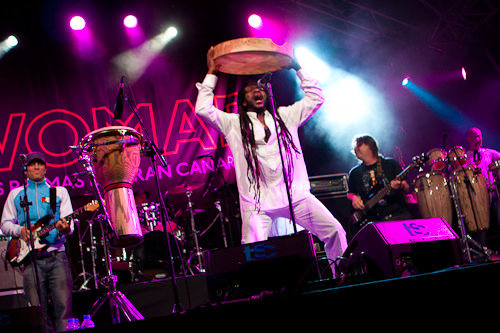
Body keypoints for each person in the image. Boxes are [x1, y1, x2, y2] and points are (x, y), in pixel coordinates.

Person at [195, 46, 347, 274]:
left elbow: (317, 98)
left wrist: (297, 68)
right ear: (242, 100)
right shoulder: (234, 124)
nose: (257, 92)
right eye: (249, 90)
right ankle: (258, 296)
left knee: (335, 231)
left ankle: (343, 277)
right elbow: (203, 109)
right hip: (258, 206)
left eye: (260, 89)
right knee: (252, 254)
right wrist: (212, 74)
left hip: (296, 197)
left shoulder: (285, 117)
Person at [1, 152, 74, 332]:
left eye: (39, 164)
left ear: (45, 168)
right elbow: (4, 224)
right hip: (31, 260)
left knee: (63, 309)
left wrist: (65, 228)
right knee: (36, 311)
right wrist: (20, 230)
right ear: (25, 170)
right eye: (32, 164)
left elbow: (69, 225)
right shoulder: (16, 194)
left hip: (57, 255)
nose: (36, 167)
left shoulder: (59, 191)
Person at [347, 135, 413, 228]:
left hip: (398, 216)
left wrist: (400, 186)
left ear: (370, 147)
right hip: (372, 221)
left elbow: (406, 188)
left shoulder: (390, 164)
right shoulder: (354, 172)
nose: (355, 148)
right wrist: (354, 198)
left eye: (359, 144)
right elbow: (350, 194)